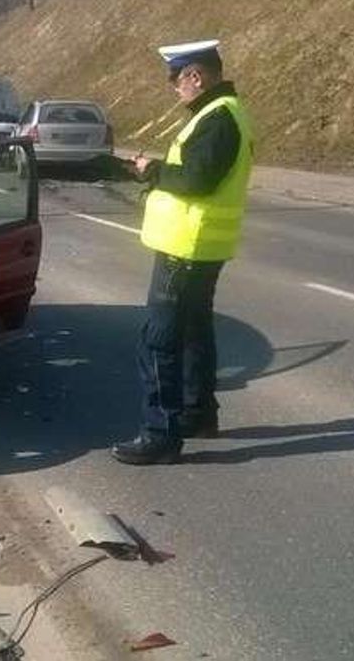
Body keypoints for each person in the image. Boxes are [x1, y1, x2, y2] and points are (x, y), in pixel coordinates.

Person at [111, 39, 256, 465]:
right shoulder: (225, 113)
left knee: (159, 340)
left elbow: (196, 180)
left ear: (196, 75)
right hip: (201, 244)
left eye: (176, 80)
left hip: (186, 246)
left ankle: (161, 433)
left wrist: (153, 171)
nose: (175, 89)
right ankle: (198, 413)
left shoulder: (217, 118)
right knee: (194, 330)